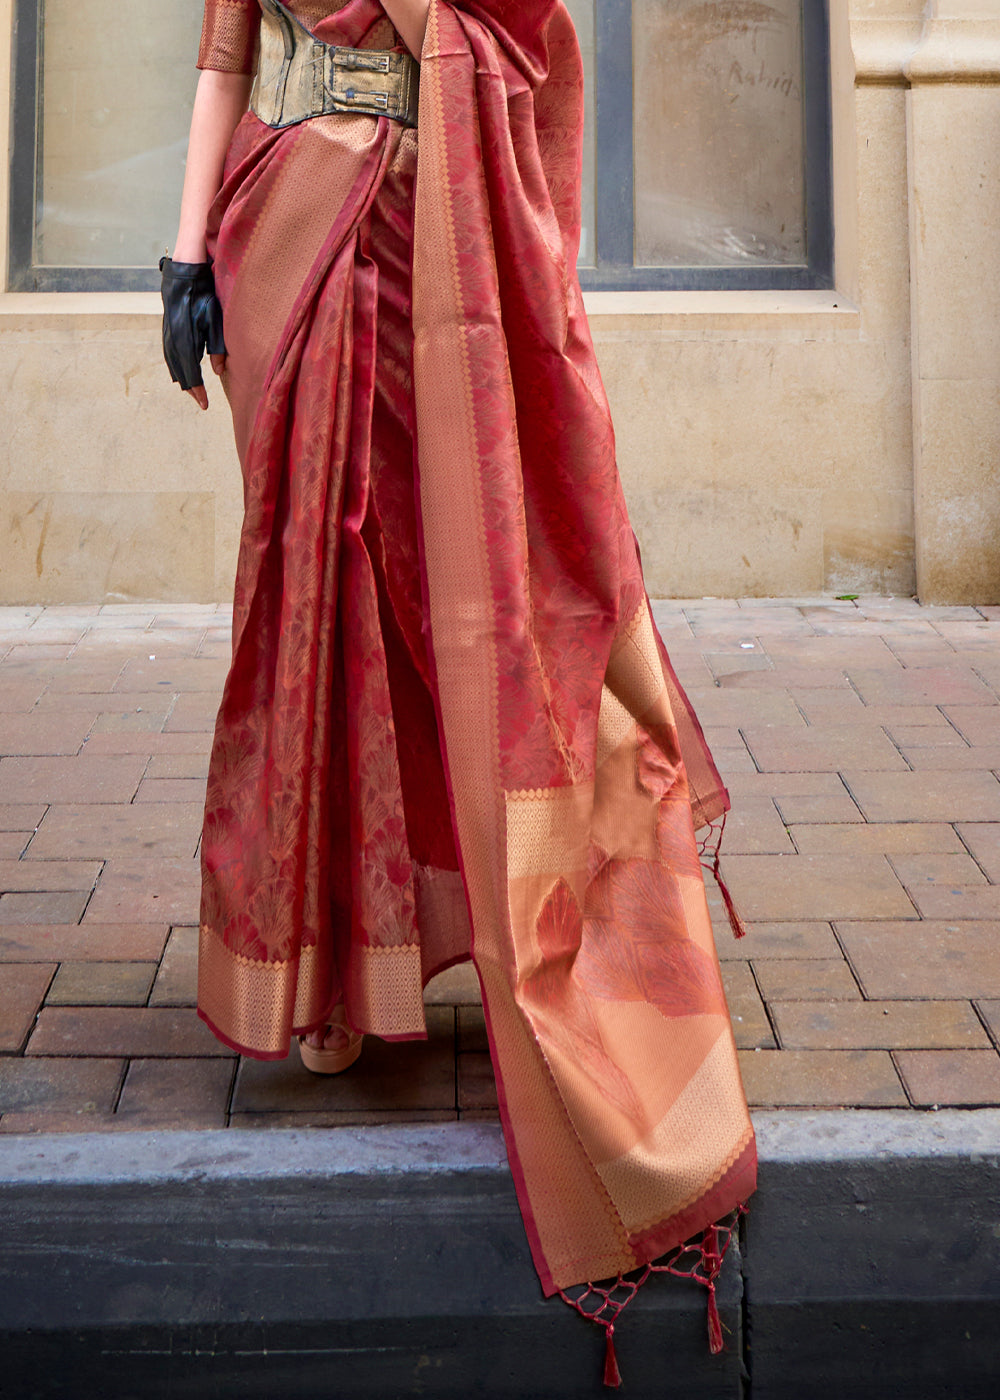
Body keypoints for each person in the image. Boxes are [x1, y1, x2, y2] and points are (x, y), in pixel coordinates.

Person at [163, 0, 756, 1382]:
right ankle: (323, 967)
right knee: (309, 598)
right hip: (284, 239)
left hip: (442, 259)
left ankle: (519, 920)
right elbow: (222, 54)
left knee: (483, 613)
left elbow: (538, 47)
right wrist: (184, 250)